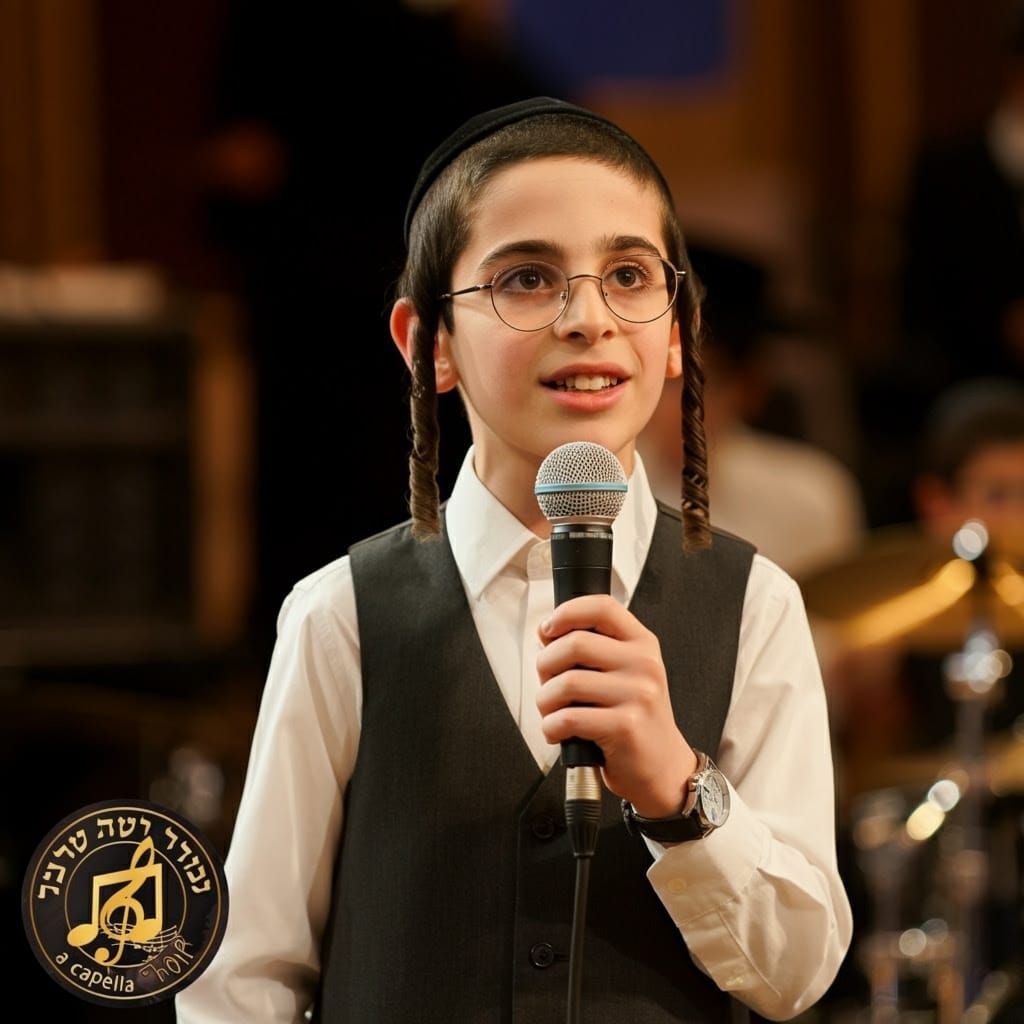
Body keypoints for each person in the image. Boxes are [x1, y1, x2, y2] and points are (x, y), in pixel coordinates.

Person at [175, 96, 852, 1023]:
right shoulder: (343, 614)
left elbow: (797, 974)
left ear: (676, 333)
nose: (587, 318)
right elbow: (245, 975)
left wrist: (676, 789)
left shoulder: (753, 604)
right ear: (429, 345)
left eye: (627, 274)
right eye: (528, 279)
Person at [639, 241, 867, 580]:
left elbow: (836, 623)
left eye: (704, 381)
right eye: (666, 378)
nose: (678, 402)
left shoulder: (810, 494)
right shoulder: (603, 488)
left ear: (749, 388)